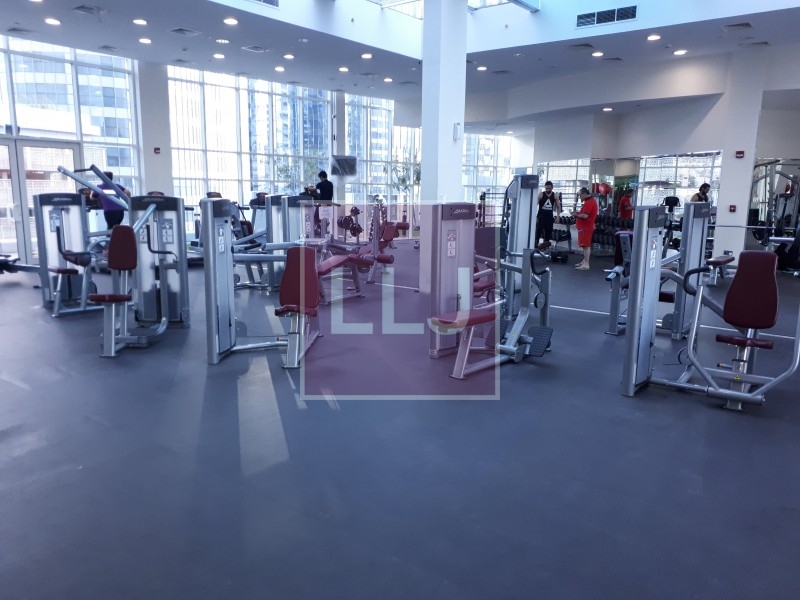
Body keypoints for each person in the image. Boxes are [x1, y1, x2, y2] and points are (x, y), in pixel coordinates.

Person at [571, 187, 598, 271]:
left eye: (580, 196)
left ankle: (586, 264)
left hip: (586, 227)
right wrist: (577, 213)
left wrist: (576, 215)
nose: (580, 198)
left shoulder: (590, 202)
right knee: (584, 245)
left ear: (584, 194)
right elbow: (583, 213)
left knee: (586, 246)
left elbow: (585, 216)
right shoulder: (588, 201)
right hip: (584, 227)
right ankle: (584, 261)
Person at [535, 180, 561, 248]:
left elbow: (558, 207)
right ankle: (535, 249)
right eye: (546, 188)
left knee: (547, 235)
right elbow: (534, 206)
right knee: (537, 234)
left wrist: (558, 217)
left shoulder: (555, 195)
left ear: (552, 187)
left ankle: (544, 249)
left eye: (549, 188)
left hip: (549, 218)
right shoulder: (541, 194)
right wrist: (535, 217)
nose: (548, 190)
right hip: (540, 217)